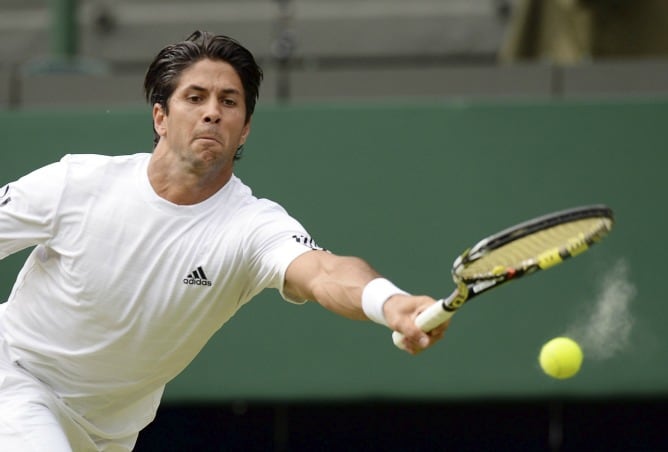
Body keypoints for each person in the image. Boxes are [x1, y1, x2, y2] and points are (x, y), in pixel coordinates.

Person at [0, 31, 447, 451]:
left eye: (228, 101)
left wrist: (388, 302)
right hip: (17, 379)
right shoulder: (77, 183)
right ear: (160, 116)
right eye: (195, 98)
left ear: (245, 128)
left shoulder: (252, 227)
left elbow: (324, 271)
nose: (212, 111)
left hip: (109, 430)